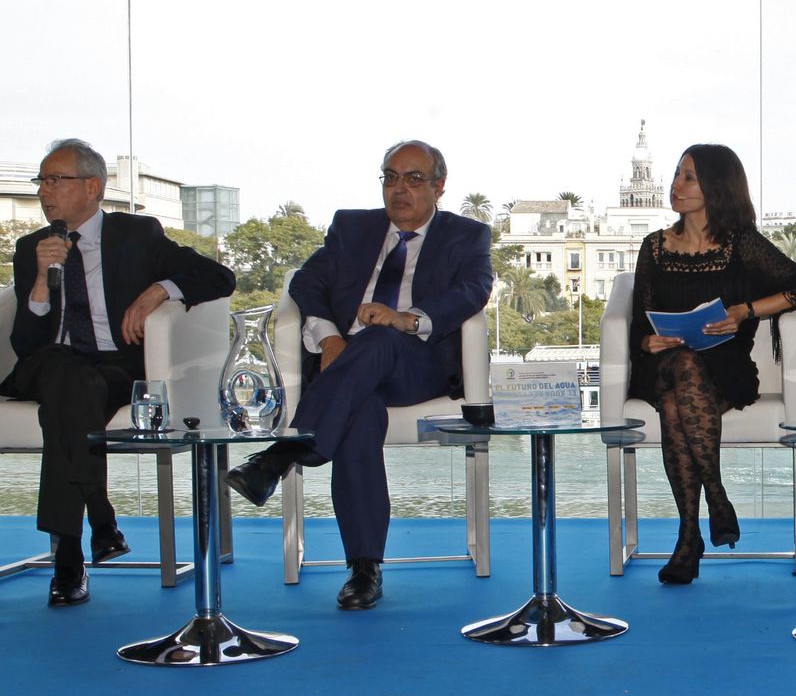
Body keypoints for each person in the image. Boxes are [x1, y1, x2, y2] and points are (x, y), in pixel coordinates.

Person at [226, 141, 492, 610]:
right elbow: (305, 283)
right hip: (345, 365)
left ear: (439, 187)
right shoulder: (352, 227)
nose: (399, 189)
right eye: (390, 177)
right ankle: (364, 569)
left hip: (417, 362)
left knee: (379, 337)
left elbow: (474, 289)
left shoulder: (466, 235)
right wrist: (329, 339)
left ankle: (282, 453)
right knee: (359, 413)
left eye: (413, 178)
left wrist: (405, 319)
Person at [1, 138, 236, 608]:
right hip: (50, 363)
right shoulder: (32, 247)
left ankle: (72, 554)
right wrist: (40, 285)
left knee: (72, 401)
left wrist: (160, 290)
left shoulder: (137, 235)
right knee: (66, 378)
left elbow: (219, 277)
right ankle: (100, 522)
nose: (45, 192)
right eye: (41, 181)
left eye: (55, 180)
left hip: (112, 368)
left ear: (92, 187)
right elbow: (25, 344)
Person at [628, 143, 796, 584]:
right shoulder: (653, 247)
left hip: (725, 367)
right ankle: (716, 498)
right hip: (660, 365)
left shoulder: (741, 244)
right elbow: (639, 320)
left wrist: (744, 311)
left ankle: (689, 535)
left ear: (716, 185)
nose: (675, 185)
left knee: (678, 403)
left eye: (688, 177)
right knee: (680, 365)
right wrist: (648, 338)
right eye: (677, 175)